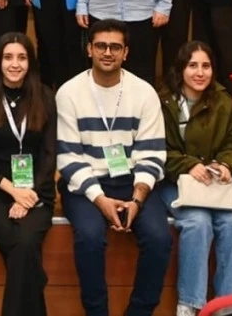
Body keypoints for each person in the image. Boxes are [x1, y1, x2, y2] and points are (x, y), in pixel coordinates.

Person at [56, 19, 170, 316]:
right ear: (89, 49)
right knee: (90, 238)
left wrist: (137, 198)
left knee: (159, 238)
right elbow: (68, 157)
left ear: (126, 52)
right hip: (85, 186)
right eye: (101, 46)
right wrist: (99, 199)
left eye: (115, 47)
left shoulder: (144, 92)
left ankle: (140, 312)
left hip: (132, 182)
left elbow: (153, 154)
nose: (108, 52)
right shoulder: (68, 93)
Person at [157, 41, 232, 315]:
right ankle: (190, 304)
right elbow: (155, 148)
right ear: (180, 69)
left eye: (206, 66)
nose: (200, 72)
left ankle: (229, 306)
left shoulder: (224, 102)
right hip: (175, 182)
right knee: (198, 223)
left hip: (215, 185)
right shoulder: (163, 102)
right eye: (192, 65)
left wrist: (225, 165)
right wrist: (186, 164)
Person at [0, 33, 56, 316]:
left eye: (21, 57)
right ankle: (37, 281)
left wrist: (28, 195)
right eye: (8, 57)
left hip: (37, 194)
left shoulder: (45, 98)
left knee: (25, 243)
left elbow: (49, 154)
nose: (15, 64)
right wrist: (13, 192)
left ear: (30, 62)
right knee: (25, 248)